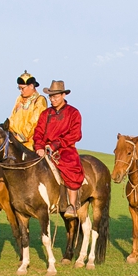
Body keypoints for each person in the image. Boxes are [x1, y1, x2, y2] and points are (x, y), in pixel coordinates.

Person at [33, 80, 84, 219]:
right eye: (51, 96)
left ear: (63, 95)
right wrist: (39, 146)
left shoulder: (73, 113)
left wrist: (56, 144)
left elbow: (75, 134)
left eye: (55, 96)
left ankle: (72, 206)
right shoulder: (45, 114)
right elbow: (38, 132)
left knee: (71, 167)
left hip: (65, 148)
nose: (52, 99)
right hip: (45, 149)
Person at [9, 71, 48, 144]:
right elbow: (12, 117)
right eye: (19, 88)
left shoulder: (39, 100)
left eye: (22, 88)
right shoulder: (19, 99)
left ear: (31, 86)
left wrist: (20, 138)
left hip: (31, 143)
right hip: (14, 140)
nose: (20, 91)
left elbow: (34, 123)